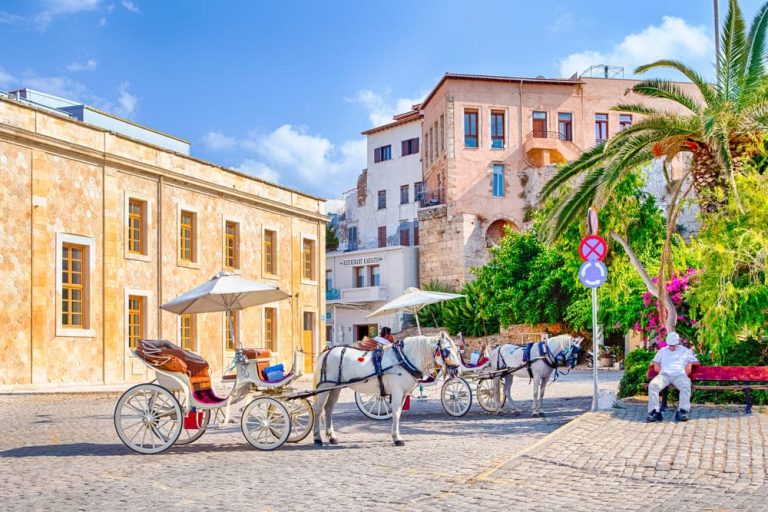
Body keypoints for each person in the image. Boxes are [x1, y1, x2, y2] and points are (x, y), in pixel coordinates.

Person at [647, 332, 699, 422]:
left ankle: (683, 411)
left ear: (678, 343)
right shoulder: (662, 350)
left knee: (686, 385)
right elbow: (653, 361)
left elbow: (697, 362)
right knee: (653, 385)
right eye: (670, 345)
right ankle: (654, 411)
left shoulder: (685, 351)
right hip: (664, 375)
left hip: (679, 375)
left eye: (673, 346)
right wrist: (655, 363)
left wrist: (690, 363)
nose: (671, 347)